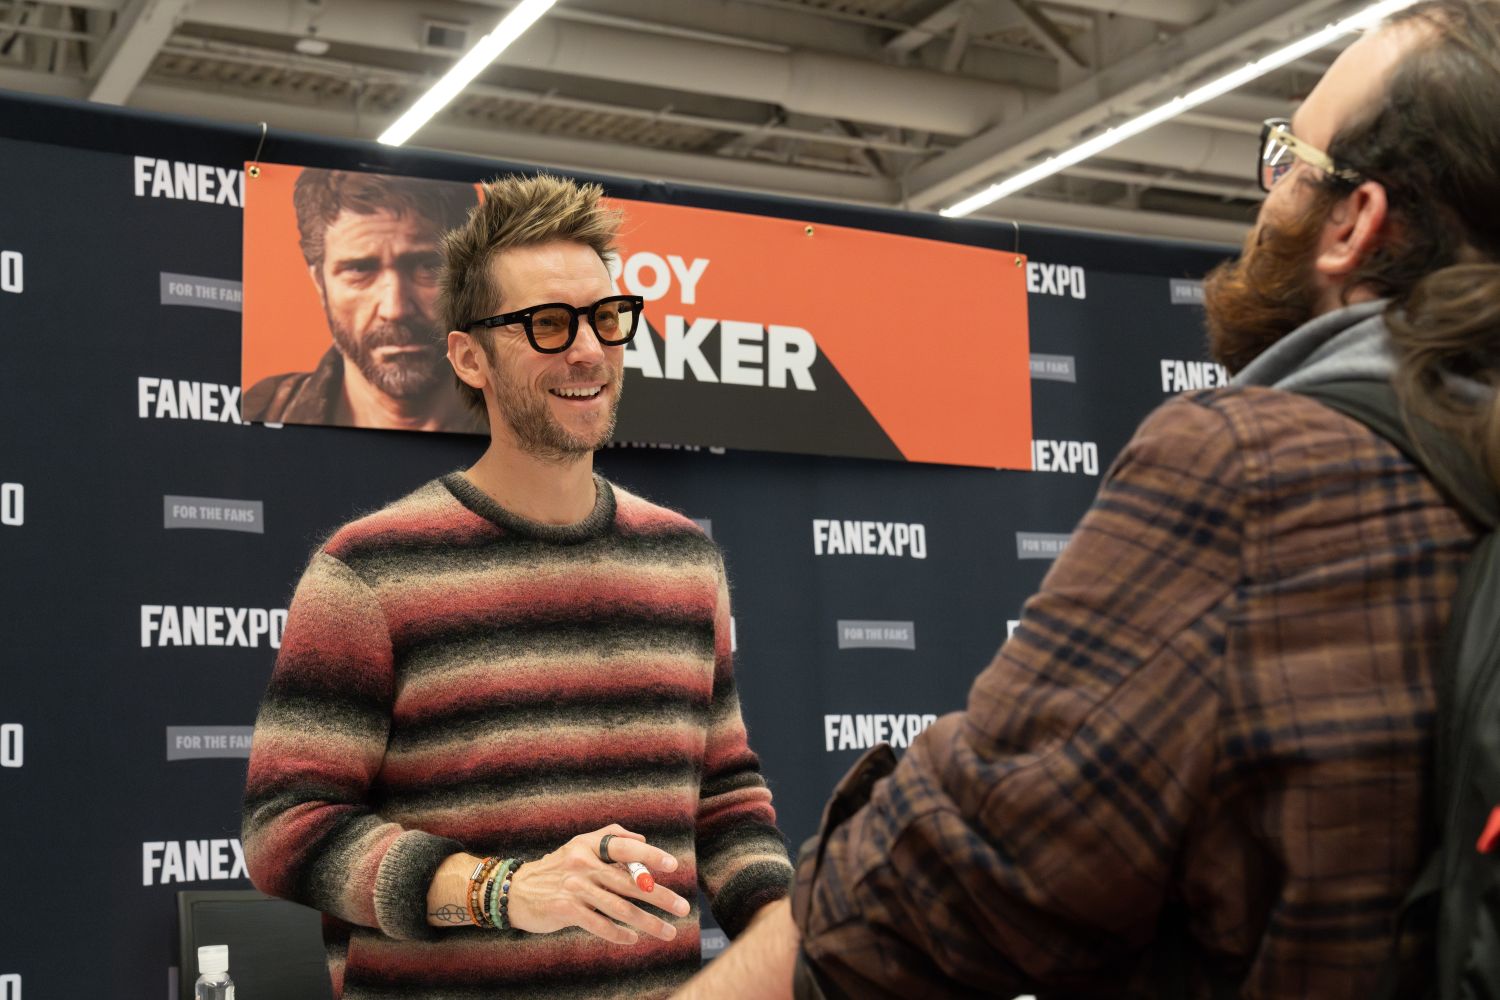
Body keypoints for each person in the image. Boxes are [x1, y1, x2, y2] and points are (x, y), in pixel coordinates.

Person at [674, 1, 1500, 996]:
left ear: (1353, 225)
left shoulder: (1252, 469)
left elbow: (937, 888)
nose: (1264, 198)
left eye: (1288, 161)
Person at [242, 173, 793, 999]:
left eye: (607, 318)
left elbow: (723, 799)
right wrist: (501, 890)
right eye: (548, 324)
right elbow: (286, 830)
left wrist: (788, 928)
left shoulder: (685, 561)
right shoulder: (369, 572)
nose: (588, 350)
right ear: (470, 356)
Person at [244, 168, 484, 432]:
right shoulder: (262, 412)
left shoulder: (519, 426)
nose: (394, 309)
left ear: (471, 274)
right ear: (319, 282)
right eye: (359, 270)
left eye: (428, 266)